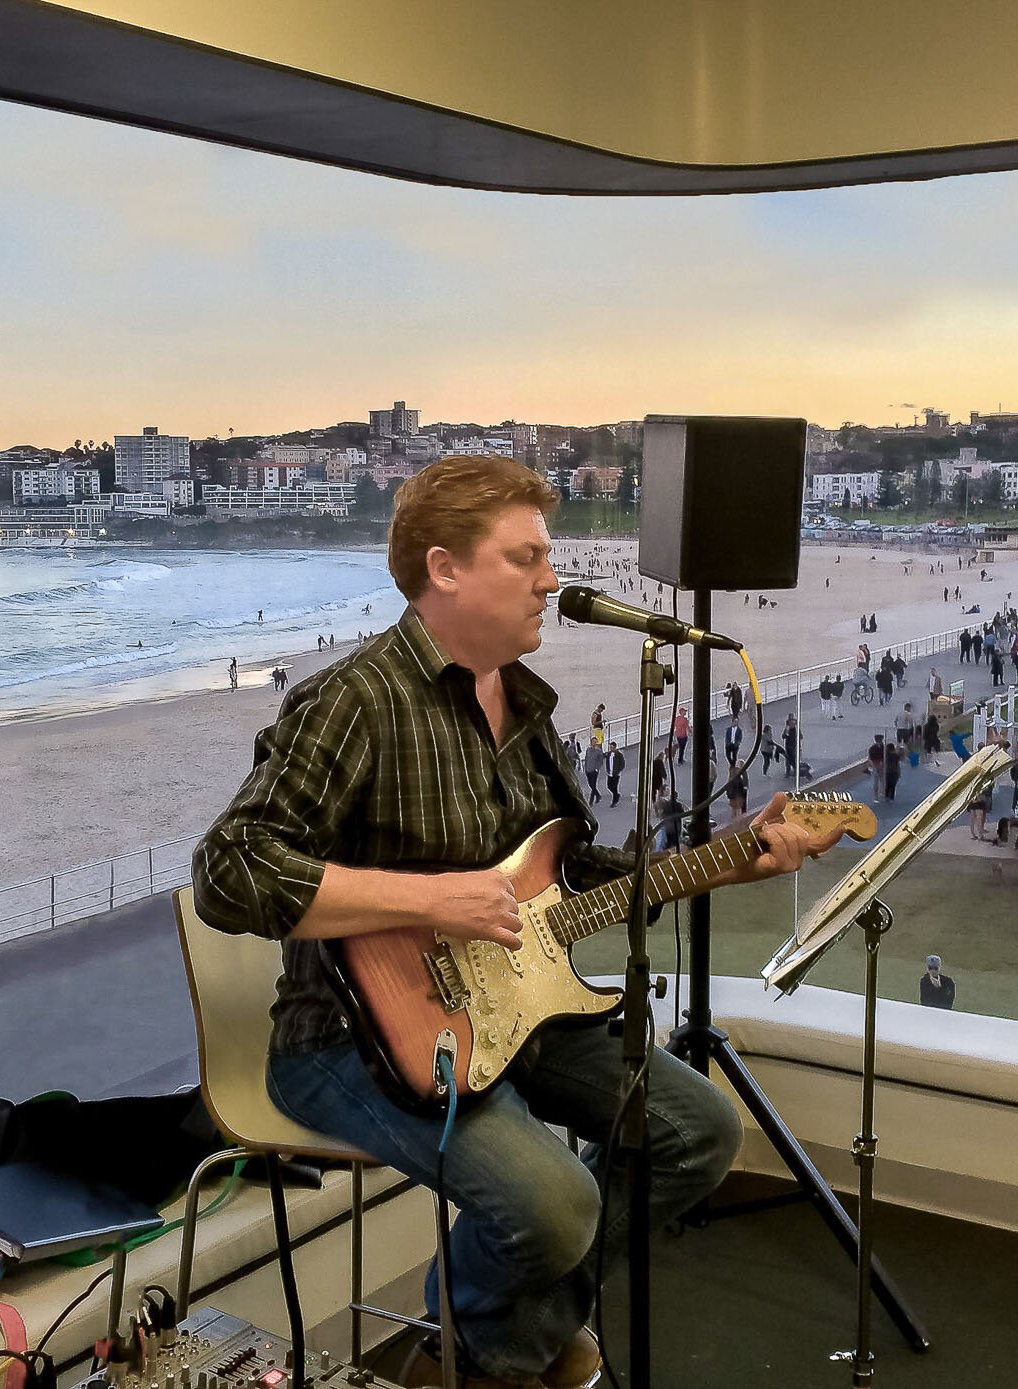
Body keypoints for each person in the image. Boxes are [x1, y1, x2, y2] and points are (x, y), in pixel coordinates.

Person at [190, 454, 841, 1389]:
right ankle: (487, 1354)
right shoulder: (354, 702)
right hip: (351, 1040)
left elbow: (570, 880)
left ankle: (485, 1344)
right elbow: (229, 868)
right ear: (445, 568)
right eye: (527, 556)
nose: (553, 580)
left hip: (517, 1003)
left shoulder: (525, 706)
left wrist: (735, 853)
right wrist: (427, 898)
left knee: (698, 1130)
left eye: (549, 556)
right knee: (556, 1205)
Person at [582, 737, 605, 805]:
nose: (594, 743)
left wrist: (597, 768)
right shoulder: (588, 749)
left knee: (593, 785)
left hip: (594, 771)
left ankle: (591, 801)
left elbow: (600, 761)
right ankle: (598, 795)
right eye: (593, 741)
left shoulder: (598, 751)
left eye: (595, 742)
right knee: (590, 784)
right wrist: (585, 768)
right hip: (588, 770)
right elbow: (586, 759)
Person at [605, 740, 626, 808]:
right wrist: (607, 769)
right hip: (610, 773)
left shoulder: (619, 755)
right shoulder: (609, 754)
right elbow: (607, 762)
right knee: (609, 786)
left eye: (612, 747)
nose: (610, 748)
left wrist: (618, 771)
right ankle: (617, 795)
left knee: (614, 787)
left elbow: (622, 764)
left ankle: (614, 801)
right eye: (610, 747)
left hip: (616, 774)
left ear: (615, 747)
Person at [867, 734, 886, 802]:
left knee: (876, 780)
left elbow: (870, 758)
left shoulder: (872, 748)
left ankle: (876, 796)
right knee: (881, 780)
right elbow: (884, 757)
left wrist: (873, 766)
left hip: (875, 764)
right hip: (880, 765)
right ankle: (882, 793)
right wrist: (881, 765)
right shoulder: (883, 747)